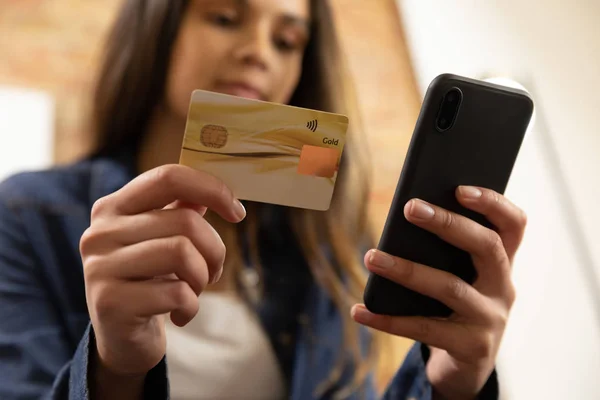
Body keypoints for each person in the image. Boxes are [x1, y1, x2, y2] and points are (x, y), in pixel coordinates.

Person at [0, 0, 527, 399]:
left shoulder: (329, 253)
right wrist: (114, 367)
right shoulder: (27, 215)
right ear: (158, 31)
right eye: (226, 17)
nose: (258, 51)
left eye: (287, 41)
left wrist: (451, 382)